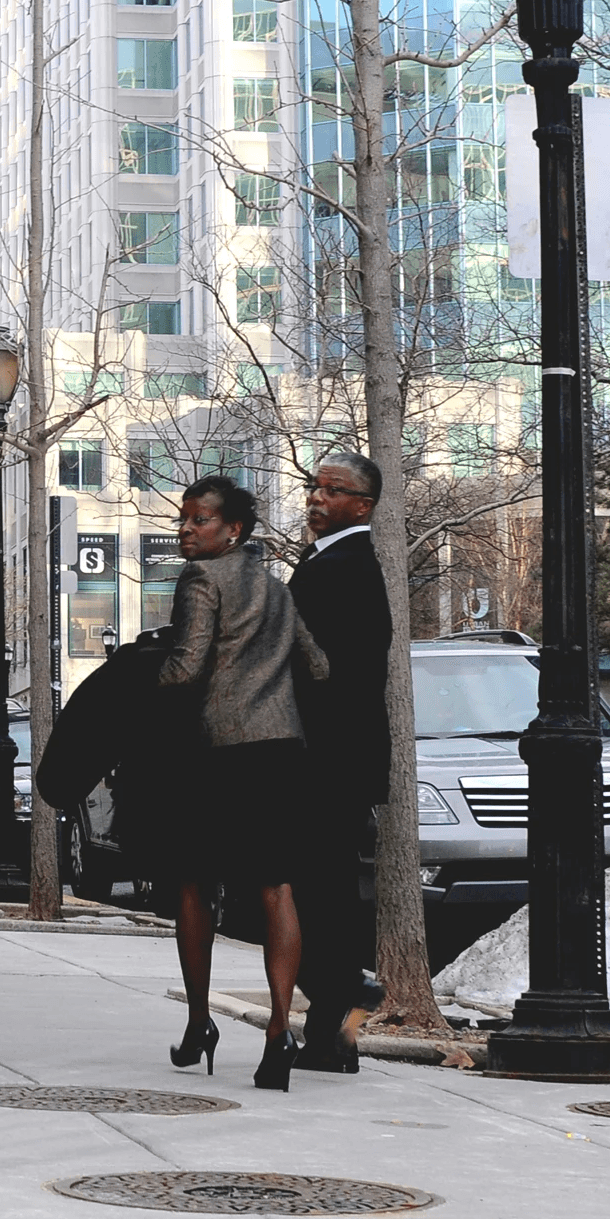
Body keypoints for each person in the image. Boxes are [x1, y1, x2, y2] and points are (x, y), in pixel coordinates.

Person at [152, 476, 328, 1090]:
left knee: (194, 885)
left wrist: (144, 672)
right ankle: (279, 1028)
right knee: (276, 888)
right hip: (280, 753)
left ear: (234, 530)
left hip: (217, 755)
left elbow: (186, 667)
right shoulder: (278, 589)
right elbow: (319, 665)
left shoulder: (202, 580)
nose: (186, 529)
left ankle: (201, 1021)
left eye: (199, 520)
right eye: (185, 518)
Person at [288, 451, 395, 1072]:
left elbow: (334, 673)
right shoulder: (329, 560)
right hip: (331, 759)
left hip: (328, 761)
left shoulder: (349, 566)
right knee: (320, 891)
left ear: (364, 505)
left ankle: (340, 1008)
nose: (317, 497)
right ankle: (334, 1033)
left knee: (315, 892)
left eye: (333, 490)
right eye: (315, 486)